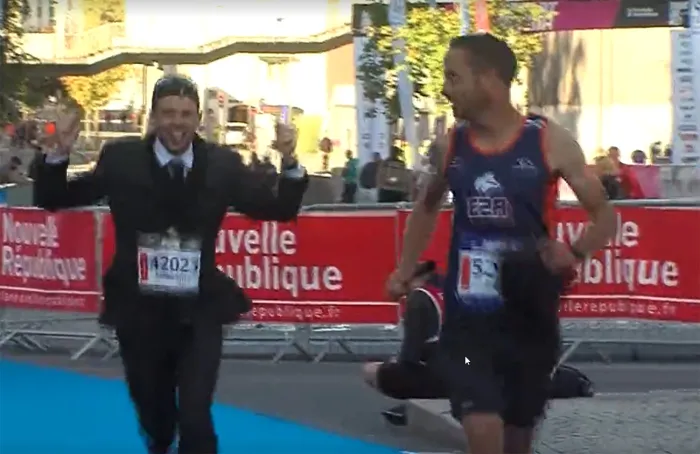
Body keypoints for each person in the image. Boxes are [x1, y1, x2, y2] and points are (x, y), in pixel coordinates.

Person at [33, 75, 308, 454]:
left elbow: (278, 208)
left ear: (198, 118)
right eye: (168, 113)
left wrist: (290, 161)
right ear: (154, 117)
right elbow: (54, 198)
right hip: (138, 309)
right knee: (156, 415)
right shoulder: (122, 159)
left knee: (195, 415)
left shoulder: (223, 164)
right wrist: (57, 155)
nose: (177, 123)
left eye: (185, 114)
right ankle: (158, 436)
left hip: (199, 308)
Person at [386, 34, 616, 454]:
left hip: (529, 319)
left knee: (516, 435)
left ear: (489, 79)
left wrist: (575, 251)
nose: (445, 89)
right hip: (468, 323)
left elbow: (605, 216)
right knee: (482, 422)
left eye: (454, 77)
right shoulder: (450, 146)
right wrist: (404, 269)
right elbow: (426, 207)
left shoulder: (548, 142)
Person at [363, 261, 448, 425]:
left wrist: (394, 362)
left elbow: (410, 356)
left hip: (443, 375)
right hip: (470, 367)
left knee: (371, 370)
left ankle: (419, 402)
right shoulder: (450, 289)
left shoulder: (418, 298)